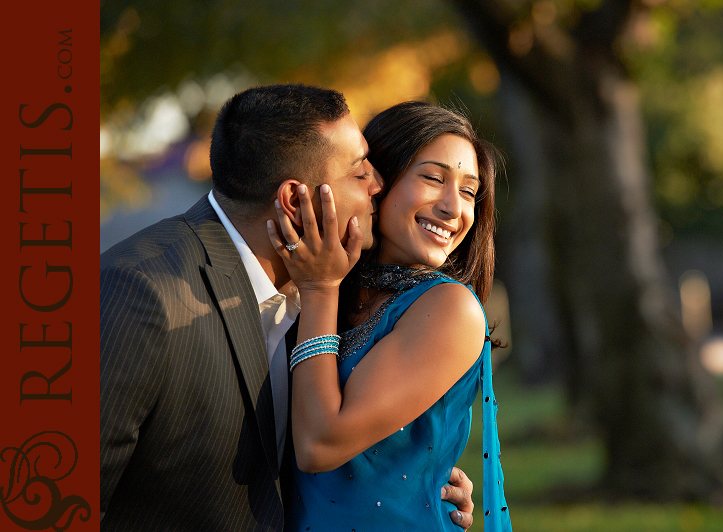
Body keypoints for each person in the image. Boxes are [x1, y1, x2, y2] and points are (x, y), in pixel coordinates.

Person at [100, 84, 475, 531]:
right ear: (295, 200)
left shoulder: (328, 293)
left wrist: (410, 472)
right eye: (359, 172)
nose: (378, 183)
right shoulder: (141, 291)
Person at [267, 100, 513, 531]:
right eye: (434, 178)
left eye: (469, 191)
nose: (453, 209)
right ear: (378, 180)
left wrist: (321, 290)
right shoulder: (328, 281)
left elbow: (319, 446)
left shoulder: (448, 308)